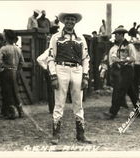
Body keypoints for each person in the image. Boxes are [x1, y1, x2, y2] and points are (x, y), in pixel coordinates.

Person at [47, 12, 91, 144]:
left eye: (72, 19)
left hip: (77, 70)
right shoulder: (55, 37)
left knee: (79, 103)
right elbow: (50, 57)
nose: (70, 22)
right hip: (61, 69)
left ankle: (81, 134)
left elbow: (85, 58)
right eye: (68, 19)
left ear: (75, 22)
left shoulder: (81, 38)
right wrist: (53, 75)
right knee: (59, 102)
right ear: (63, 21)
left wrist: (85, 76)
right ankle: (56, 135)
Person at [104, 25, 139, 119]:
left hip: (127, 69)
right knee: (131, 91)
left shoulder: (129, 45)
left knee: (120, 91)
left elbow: (133, 58)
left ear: (122, 35)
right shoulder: (115, 47)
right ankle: (139, 110)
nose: (115, 36)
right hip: (118, 70)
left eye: (117, 35)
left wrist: (123, 61)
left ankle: (113, 112)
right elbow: (112, 58)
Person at [0, 29, 25, 119]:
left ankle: (11, 113)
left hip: (7, 72)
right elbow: (22, 62)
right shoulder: (18, 49)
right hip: (15, 71)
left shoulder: (4, 48)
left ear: (6, 37)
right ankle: (20, 111)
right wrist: (17, 70)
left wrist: (1, 69)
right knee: (15, 92)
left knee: (7, 91)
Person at [37, 48, 55, 114]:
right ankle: (52, 109)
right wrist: (46, 67)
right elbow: (39, 59)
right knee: (51, 90)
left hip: (56, 71)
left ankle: (54, 108)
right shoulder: (49, 50)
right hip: (50, 71)